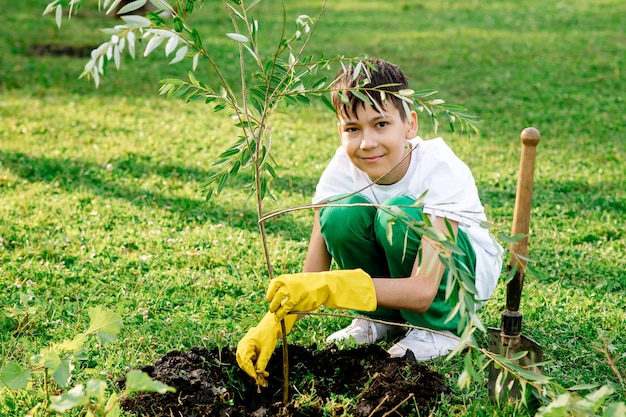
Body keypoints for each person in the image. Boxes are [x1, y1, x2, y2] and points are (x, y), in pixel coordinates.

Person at [236, 58, 503, 387]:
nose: (367, 143)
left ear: (410, 124)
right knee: (339, 215)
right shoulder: (342, 167)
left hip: (454, 283)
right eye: (353, 129)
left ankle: (440, 330)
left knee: (398, 214)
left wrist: (334, 288)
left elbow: (423, 290)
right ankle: (381, 319)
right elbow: (314, 274)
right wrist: (274, 325)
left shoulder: (438, 168)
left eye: (381, 124)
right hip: (402, 279)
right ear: (340, 131)